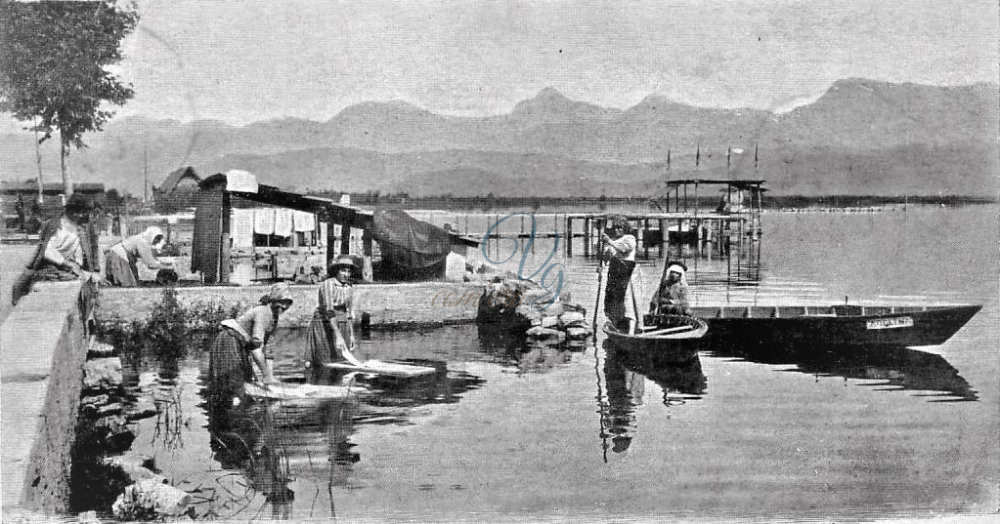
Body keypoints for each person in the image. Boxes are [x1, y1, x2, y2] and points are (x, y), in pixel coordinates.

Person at [208, 284, 293, 408]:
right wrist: (265, 375)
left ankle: (237, 408)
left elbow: (268, 349)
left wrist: (269, 377)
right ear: (273, 300)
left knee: (243, 380)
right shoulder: (263, 312)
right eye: (281, 302)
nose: (284, 306)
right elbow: (255, 347)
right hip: (230, 340)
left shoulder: (274, 318)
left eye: (287, 303)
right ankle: (232, 413)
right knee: (233, 380)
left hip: (240, 344)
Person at [11, 193, 100, 305]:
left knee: (89, 293)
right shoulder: (54, 225)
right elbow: (47, 252)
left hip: (75, 268)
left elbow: (93, 247)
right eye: (81, 212)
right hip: (53, 267)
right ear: (73, 212)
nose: (83, 216)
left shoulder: (84, 226)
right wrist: (68, 264)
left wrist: (95, 269)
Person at [306, 255, 363, 380]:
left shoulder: (349, 287)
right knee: (325, 359)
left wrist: (351, 335)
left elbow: (348, 312)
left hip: (342, 324)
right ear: (336, 271)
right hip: (325, 324)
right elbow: (329, 310)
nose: (346, 274)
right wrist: (338, 336)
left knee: (343, 359)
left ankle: (340, 386)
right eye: (343, 270)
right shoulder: (328, 284)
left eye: (348, 271)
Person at [599, 215, 637, 332]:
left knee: (623, 300)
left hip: (625, 273)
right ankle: (614, 322)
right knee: (611, 299)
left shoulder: (629, 239)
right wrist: (601, 265)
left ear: (625, 228)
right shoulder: (615, 241)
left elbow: (623, 249)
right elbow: (608, 253)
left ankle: (627, 326)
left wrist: (609, 241)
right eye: (615, 228)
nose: (617, 230)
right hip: (614, 274)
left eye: (619, 228)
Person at [104, 226, 171, 287]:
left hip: (116, 253)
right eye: (157, 238)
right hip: (119, 255)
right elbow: (150, 263)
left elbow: (150, 257)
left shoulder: (141, 238)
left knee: (131, 279)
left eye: (159, 239)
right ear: (151, 236)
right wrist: (165, 266)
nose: (157, 241)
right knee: (128, 284)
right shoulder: (143, 242)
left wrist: (162, 263)